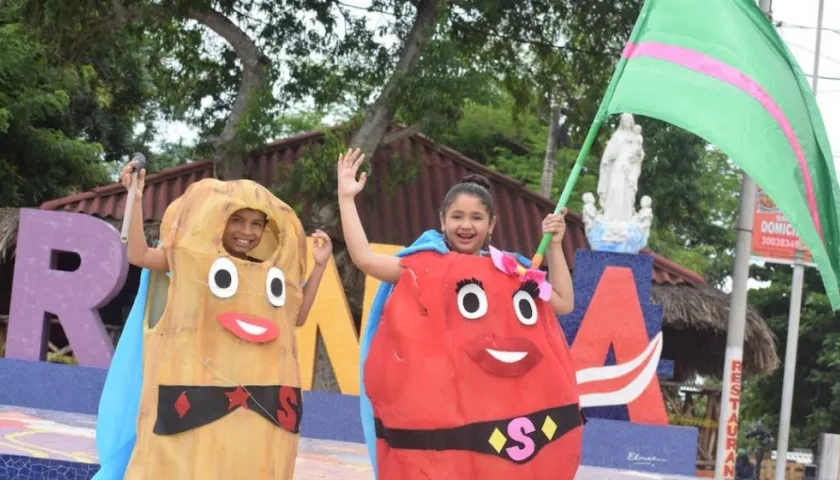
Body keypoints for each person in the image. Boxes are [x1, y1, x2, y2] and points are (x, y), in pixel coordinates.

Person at [336, 148, 574, 315]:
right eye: (457, 217)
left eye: (477, 218)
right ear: (443, 221)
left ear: (491, 224)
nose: (466, 225)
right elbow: (365, 260)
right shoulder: (427, 265)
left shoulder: (509, 269)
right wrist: (346, 198)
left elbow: (563, 303)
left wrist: (554, 246)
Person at [119, 160, 332, 326]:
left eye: (256, 224)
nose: (247, 232)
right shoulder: (193, 258)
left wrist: (320, 266)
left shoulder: (263, 272)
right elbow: (140, 255)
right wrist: (135, 199)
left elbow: (296, 318)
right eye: (237, 221)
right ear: (220, 222)